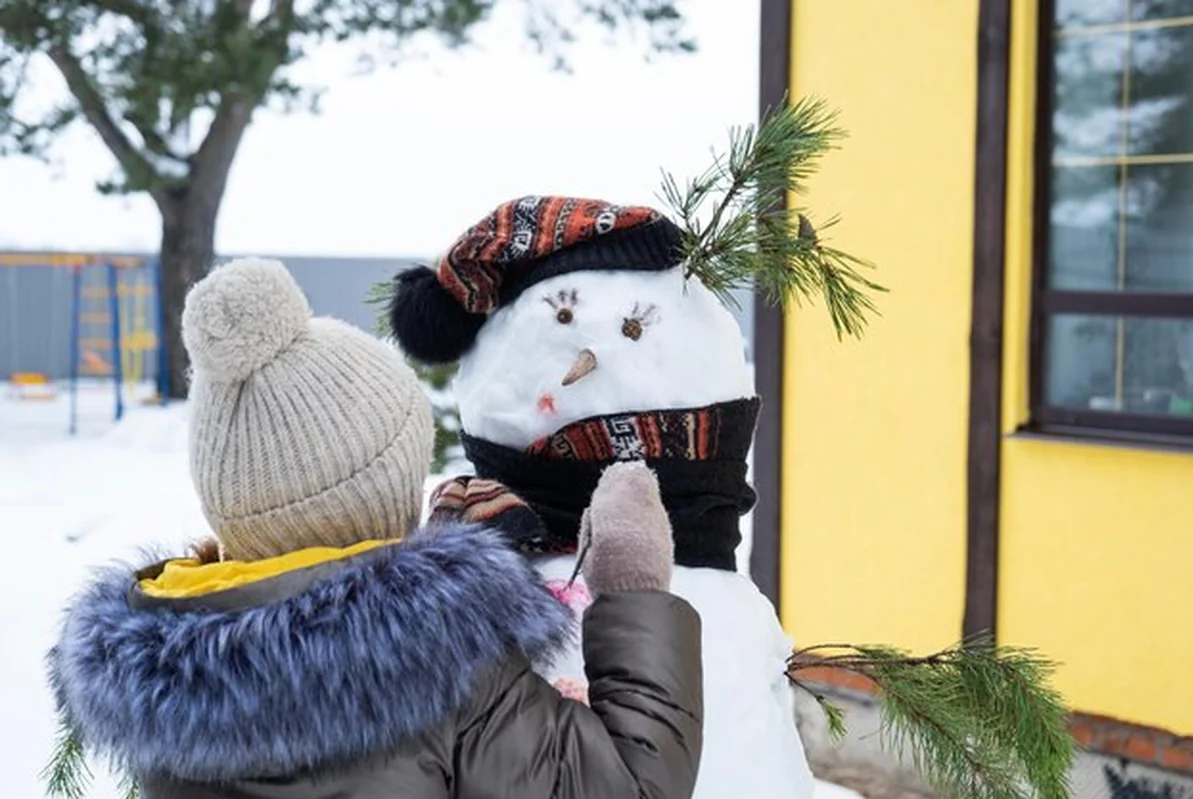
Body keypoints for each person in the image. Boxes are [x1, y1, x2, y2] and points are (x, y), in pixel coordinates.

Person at [48, 257, 703, 799]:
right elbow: (634, 789)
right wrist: (633, 589)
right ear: (377, 490)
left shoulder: (162, 680)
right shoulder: (441, 662)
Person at [388, 196, 815, 799]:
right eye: (561, 321)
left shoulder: (458, 587)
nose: (585, 365)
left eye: (634, 330)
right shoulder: (486, 587)